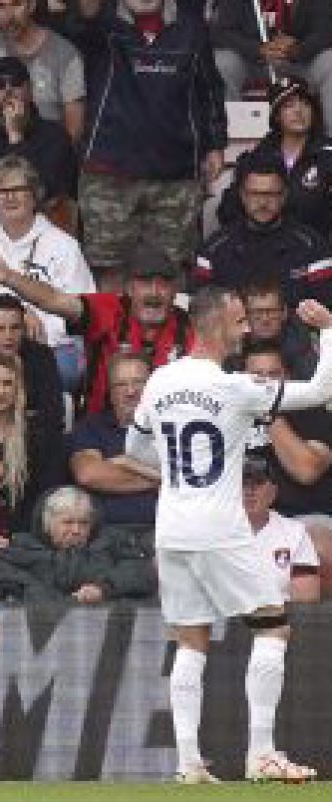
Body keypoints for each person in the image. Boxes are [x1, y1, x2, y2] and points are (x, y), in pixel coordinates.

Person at [123, 286, 332, 783]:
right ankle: (261, 753)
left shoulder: (160, 381)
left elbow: (136, 446)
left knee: (190, 639)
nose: (245, 329)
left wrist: (182, 469)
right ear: (214, 323)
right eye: (239, 321)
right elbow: (323, 390)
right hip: (218, 528)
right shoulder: (235, 387)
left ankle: (188, 763)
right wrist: (327, 329)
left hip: (171, 528)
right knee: (272, 625)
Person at [65, 0, 227, 282]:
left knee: (171, 273)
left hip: (175, 175)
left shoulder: (192, 28)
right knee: (109, 273)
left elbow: (209, 89)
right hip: (108, 174)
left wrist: (215, 143)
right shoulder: (101, 25)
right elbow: (79, 20)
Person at [0, 238, 194, 414]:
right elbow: (53, 300)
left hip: (165, 432)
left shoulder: (190, 328)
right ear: (129, 288)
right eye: (145, 283)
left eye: (163, 285)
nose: (154, 293)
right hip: (102, 428)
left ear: (175, 291)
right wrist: (9, 277)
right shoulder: (108, 309)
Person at [0, 154, 95, 390]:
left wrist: (34, 325)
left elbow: (82, 308)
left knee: (61, 370)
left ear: (35, 195)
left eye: (19, 189)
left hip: (50, 345)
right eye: (2, 191)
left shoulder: (64, 246)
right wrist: (17, 317)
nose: (10, 196)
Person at [195, 152, 332, 307]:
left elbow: (325, 310)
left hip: (296, 329)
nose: (263, 203)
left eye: (271, 194)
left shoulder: (313, 247)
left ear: (284, 195)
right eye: (255, 194)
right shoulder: (214, 250)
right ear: (242, 195)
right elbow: (202, 314)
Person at [0, 56, 77, 224]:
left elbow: (50, 191)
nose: (8, 90)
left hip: (44, 228)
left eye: (16, 83)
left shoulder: (55, 135)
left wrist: (16, 137)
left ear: (30, 89)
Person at [0, 485, 156, 603]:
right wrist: (48, 598)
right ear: (47, 523)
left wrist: (103, 589)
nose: (76, 530)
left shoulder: (111, 543)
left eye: (83, 523)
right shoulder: (20, 547)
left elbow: (141, 571)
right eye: (68, 522)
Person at [0, 351, 63, 542]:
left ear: (18, 389)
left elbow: (45, 497)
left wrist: (13, 538)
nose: (1, 391)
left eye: (7, 383)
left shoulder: (38, 435)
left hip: (24, 538)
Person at [217, 77, 332, 233]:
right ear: (276, 116)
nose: (299, 111)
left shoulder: (328, 155)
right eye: (288, 105)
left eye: (306, 104)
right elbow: (228, 210)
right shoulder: (256, 156)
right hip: (264, 245)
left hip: (316, 247)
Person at [240, 340, 332, 524]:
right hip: (242, 519)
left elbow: (306, 471)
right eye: (256, 376)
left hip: (302, 517)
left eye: (274, 375)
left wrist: (269, 411)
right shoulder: (231, 413)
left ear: (287, 378)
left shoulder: (312, 411)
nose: (266, 383)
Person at [66, 351, 158, 529]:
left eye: (139, 382)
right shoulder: (91, 427)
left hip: (161, 532)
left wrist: (126, 464)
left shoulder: (171, 427)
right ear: (110, 392)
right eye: (121, 385)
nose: (131, 392)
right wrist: (162, 478)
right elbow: (88, 474)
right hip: (106, 534)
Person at [0, 0, 85, 140]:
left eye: (17, 4)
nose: (9, 15)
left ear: (31, 6)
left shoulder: (67, 54)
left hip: (47, 148)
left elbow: (74, 129)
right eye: (0, 6)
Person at [211, 0, 332, 127]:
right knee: (222, 62)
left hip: (301, 60)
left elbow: (325, 31)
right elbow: (220, 32)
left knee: (330, 60)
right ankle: (225, 135)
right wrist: (258, 49)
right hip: (252, 61)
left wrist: (299, 48)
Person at [0, 293, 64, 444]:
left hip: (31, 439)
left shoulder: (42, 356)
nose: (8, 336)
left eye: (15, 328)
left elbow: (52, 412)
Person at [244, 456, 321, 604]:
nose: (249, 491)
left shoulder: (295, 533)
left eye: (258, 483)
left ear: (273, 492)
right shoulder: (212, 531)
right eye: (242, 484)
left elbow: (306, 598)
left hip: (278, 620)